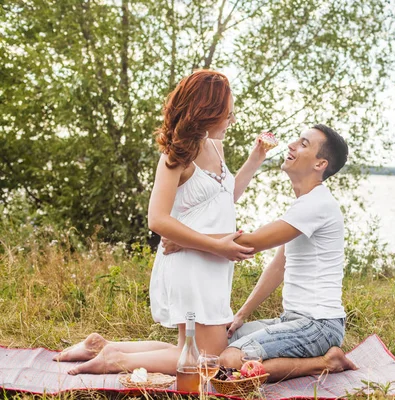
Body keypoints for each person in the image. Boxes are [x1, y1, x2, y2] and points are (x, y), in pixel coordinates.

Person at [52, 70, 273, 375]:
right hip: (191, 262)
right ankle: (117, 361)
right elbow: (157, 219)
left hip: (214, 264)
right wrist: (217, 246)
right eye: (227, 114)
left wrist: (255, 159)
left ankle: (101, 346)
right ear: (206, 113)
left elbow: (225, 198)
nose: (231, 121)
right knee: (208, 361)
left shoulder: (214, 146)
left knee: (193, 351)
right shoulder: (177, 155)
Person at [165, 124, 358, 382]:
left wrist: (186, 240)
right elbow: (279, 266)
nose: (291, 145)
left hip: (320, 325)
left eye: (303, 144)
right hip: (293, 320)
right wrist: (241, 314)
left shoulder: (317, 204)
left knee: (230, 360)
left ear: (320, 164)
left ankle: (324, 362)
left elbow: (252, 243)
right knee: (220, 344)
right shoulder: (304, 205)